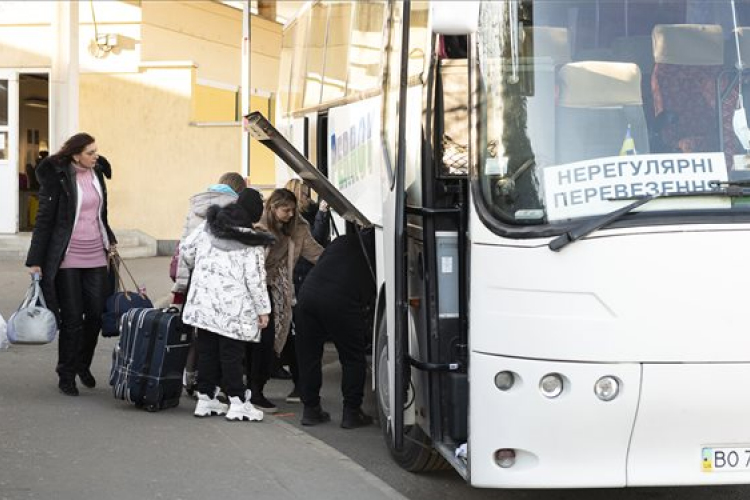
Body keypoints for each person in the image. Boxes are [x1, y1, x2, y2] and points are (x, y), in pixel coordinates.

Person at [25, 133, 117, 396]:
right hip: (68, 256)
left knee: (97, 314)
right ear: (76, 155)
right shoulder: (59, 178)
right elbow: (44, 220)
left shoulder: (97, 174)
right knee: (73, 318)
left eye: (97, 151)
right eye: (91, 152)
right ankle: (66, 372)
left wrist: (109, 239)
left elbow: (102, 214)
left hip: (96, 254)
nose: (96, 156)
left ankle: (81, 364)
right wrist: (35, 261)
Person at [180, 188, 274, 422]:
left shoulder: (208, 227)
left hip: (203, 304)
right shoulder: (251, 242)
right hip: (233, 308)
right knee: (232, 354)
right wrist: (264, 310)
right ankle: (238, 401)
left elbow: (185, 250)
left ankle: (205, 398)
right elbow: (256, 280)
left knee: (207, 350)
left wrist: (201, 266)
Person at [247, 188, 324, 413]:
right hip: (255, 289)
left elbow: (316, 253)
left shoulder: (298, 229)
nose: (290, 214)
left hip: (277, 288)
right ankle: (252, 390)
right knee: (260, 340)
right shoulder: (258, 229)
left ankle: (257, 389)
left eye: (292, 210)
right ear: (272, 208)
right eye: (286, 210)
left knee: (273, 338)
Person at [171, 172, 247, 395]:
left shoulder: (197, 204)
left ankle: (192, 380)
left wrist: (181, 286)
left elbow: (185, 246)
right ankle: (218, 387)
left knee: (199, 335)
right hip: (221, 281)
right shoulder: (234, 209)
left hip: (196, 277)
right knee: (219, 337)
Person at [295, 228, 376, 429]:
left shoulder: (341, 241)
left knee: (309, 357)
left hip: (308, 296)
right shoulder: (377, 251)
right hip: (341, 302)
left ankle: (311, 410)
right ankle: (351, 413)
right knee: (352, 358)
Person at [278, 178, 331, 402]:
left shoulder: (285, 223)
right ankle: (305, 390)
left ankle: (300, 386)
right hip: (301, 280)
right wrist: (322, 214)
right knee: (303, 338)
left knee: (295, 336)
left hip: (291, 282)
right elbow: (317, 241)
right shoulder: (305, 218)